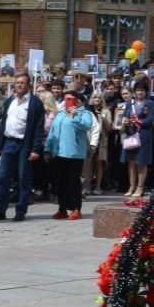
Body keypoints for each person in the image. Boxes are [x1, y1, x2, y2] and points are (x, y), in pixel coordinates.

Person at [0, 74, 46, 222]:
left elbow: (38, 128)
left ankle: (21, 211)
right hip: (8, 143)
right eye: (17, 83)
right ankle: (0, 211)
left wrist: (35, 149)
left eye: (22, 83)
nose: (19, 85)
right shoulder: (9, 101)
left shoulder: (35, 103)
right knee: (3, 178)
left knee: (23, 178)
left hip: (24, 145)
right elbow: (3, 125)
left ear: (28, 85)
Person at [44, 91, 94, 220]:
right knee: (59, 182)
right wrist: (47, 149)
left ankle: (76, 208)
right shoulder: (60, 114)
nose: (67, 101)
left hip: (74, 153)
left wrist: (75, 115)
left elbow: (87, 126)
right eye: (66, 99)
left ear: (77, 101)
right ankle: (62, 208)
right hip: (58, 152)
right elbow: (52, 132)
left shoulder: (85, 114)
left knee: (72, 182)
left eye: (70, 99)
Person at [120, 81, 154, 198]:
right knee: (131, 161)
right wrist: (125, 121)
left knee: (141, 162)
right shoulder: (130, 103)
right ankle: (132, 185)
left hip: (143, 135)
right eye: (137, 90)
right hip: (131, 135)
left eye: (142, 90)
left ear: (146, 92)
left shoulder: (149, 103)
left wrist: (138, 122)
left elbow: (151, 119)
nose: (139, 92)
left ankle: (140, 187)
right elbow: (124, 116)